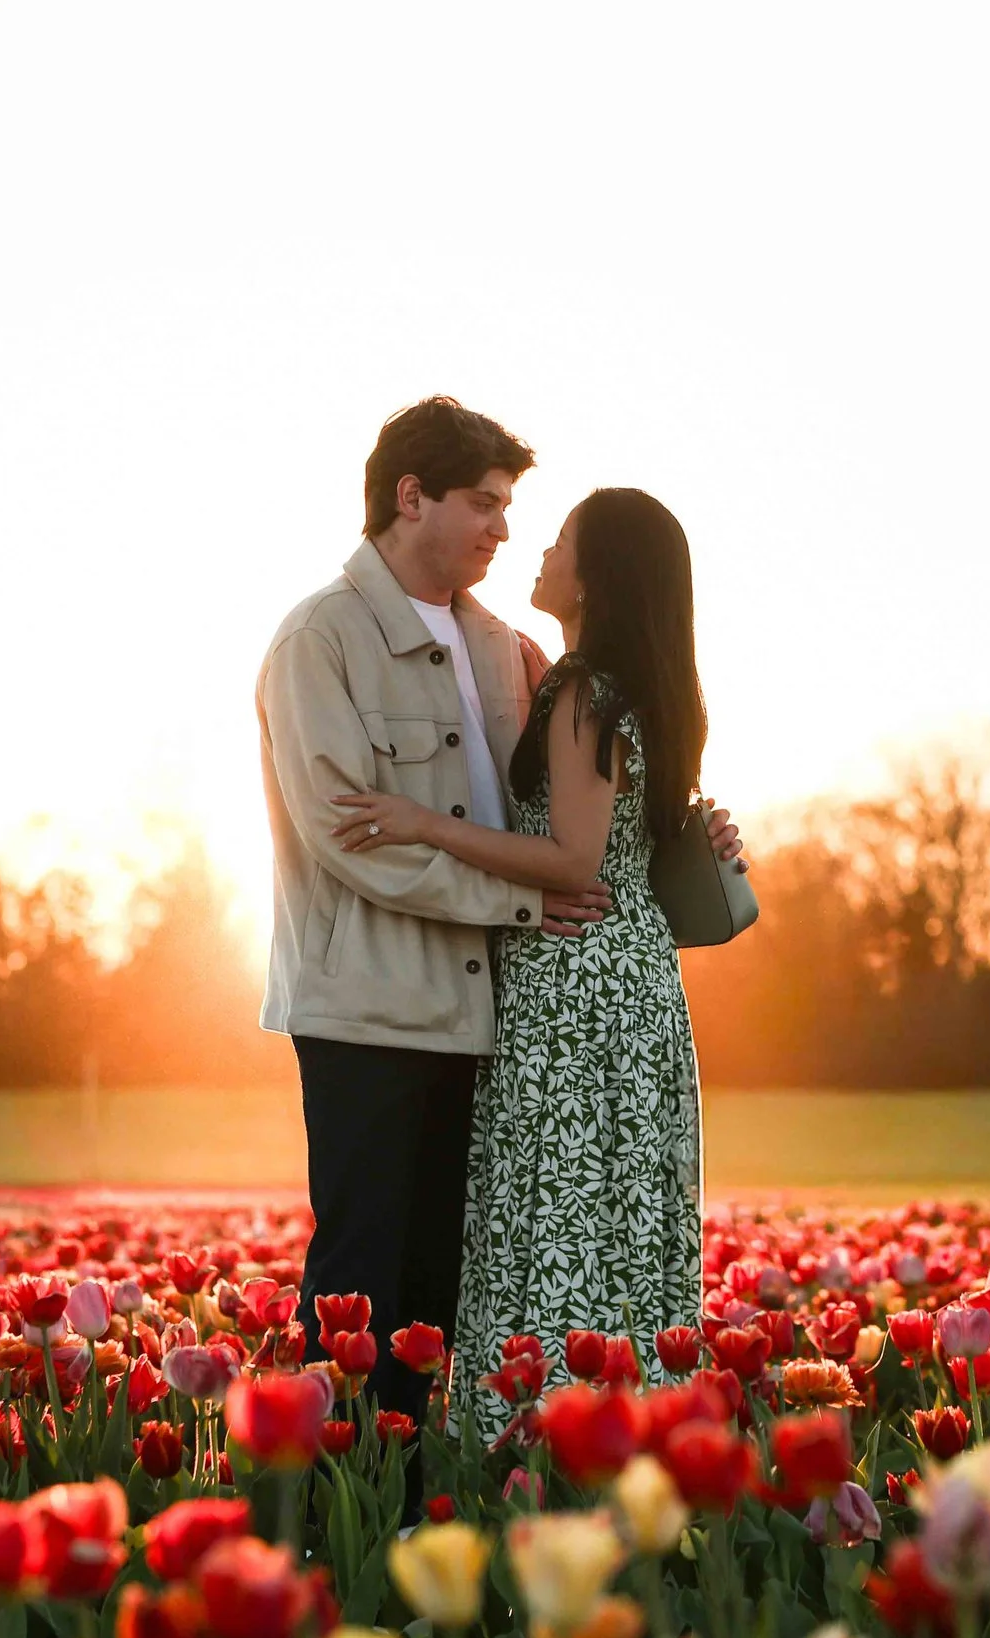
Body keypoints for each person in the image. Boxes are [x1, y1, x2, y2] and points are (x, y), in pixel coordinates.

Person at [254, 398, 737, 1463]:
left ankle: (439, 1488)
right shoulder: (319, 639)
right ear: (409, 495)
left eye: (515, 508)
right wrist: (528, 903)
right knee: (362, 1277)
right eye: (485, 502)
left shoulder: (509, 648)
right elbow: (352, 840)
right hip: (374, 1005)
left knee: (458, 1276)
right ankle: (338, 1510)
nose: (505, 529)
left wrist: (677, 840)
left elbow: (576, 824)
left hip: (501, 1012)